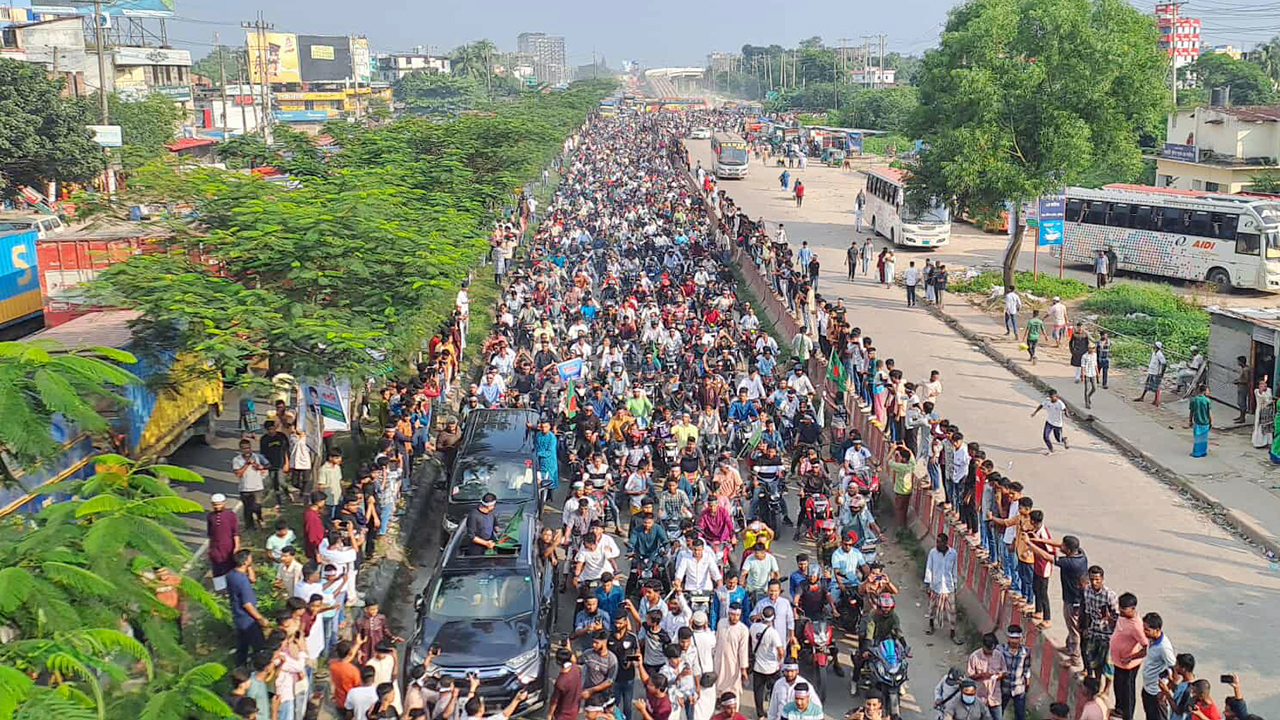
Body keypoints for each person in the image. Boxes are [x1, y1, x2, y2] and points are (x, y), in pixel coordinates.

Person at [226, 550, 269, 667]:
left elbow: (253, 579)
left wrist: (248, 567)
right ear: (245, 562)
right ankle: (259, 669)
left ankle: (240, 668)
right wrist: (260, 618)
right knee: (260, 647)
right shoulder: (242, 581)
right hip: (248, 620)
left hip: (238, 617)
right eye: (250, 558)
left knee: (242, 646)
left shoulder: (231, 574)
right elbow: (247, 604)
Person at [924, 532, 961, 644]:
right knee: (932, 608)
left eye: (940, 542)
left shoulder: (953, 553)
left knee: (952, 611)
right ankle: (931, 626)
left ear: (945, 543)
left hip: (948, 587)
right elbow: (929, 568)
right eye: (937, 541)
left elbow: (954, 569)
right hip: (936, 585)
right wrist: (928, 585)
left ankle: (953, 633)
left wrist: (955, 584)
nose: (938, 544)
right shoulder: (933, 553)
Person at [749, 606, 784, 717]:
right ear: (773, 618)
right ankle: (772, 712)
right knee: (775, 691)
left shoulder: (753, 627)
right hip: (772, 668)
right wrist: (779, 662)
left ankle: (760, 715)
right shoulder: (773, 633)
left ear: (762, 616)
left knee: (758, 691)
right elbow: (781, 652)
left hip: (757, 667)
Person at [1140, 613, 1175, 720]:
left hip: (1157, 693)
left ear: (1157, 629)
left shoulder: (1164, 648)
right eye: (1144, 628)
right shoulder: (1152, 639)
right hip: (1147, 689)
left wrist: (1165, 692)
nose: (1144, 632)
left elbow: (1175, 669)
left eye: (1147, 630)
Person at [966, 633, 1006, 720]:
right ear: (983, 646)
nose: (991, 652)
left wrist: (999, 676)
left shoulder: (999, 656)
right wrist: (983, 675)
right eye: (989, 649)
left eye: (992, 649)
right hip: (980, 696)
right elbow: (970, 675)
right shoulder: (974, 657)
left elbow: (1004, 672)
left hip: (995, 697)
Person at [207, 493, 240, 593]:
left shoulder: (230, 515)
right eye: (215, 504)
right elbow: (210, 534)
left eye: (219, 504)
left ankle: (233, 588)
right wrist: (209, 549)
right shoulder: (210, 516)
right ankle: (220, 590)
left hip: (228, 547)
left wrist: (237, 546)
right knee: (217, 569)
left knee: (230, 567)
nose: (217, 506)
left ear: (224, 503)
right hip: (215, 549)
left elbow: (236, 532)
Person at [232, 439, 268, 530]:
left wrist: (260, 467)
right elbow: (238, 474)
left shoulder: (257, 457)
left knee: (257, 506)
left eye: (248, 448)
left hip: (257, 487)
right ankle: (250, 527)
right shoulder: (236, 460)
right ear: (240, 449)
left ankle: (260, 519)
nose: (246, 450)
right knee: (247, 509)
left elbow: (267, 465)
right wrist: (246, 465)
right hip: (245, 488)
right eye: (244, 448)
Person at [998, 626, 1032, 720]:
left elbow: (1026, 668)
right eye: (1012, 638)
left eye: (1016, 638)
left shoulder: (1026, 652)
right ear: (1008, 638)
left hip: (1019, 688)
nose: (1014, 641)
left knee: (1020, 715)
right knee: (998, 712)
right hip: (1003, 687)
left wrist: (1027, 681)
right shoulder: (1000, 650)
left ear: (1020, 638)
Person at [548, 647, 585, 720]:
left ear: (558, 661)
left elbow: (554, 702)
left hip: (562, 715)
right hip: (574, 710)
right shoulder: (576, 668)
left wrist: (549, 715)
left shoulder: (561, 682)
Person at [1134, 342, 1167, 407]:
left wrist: (1161, 373)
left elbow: (1164, 364)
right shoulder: (1154, 353)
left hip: (1156, 373)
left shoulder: (1160, 355)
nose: (1153, 346)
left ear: (1157, 347)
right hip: (1151, 371)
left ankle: (1156, 400)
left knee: (1156, 387)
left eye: (1154, 345)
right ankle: (1142, 397)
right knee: (1148, 385)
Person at [1188, 385, 1213, 458]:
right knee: (1204, 438)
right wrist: (1211, 421)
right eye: (1208, 390)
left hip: (1197, 422)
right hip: (1205, 422)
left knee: (1197, 438)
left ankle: (1196, 452)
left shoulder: (1193, 400)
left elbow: (1191, 412)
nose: (1209, 392)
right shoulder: (1207, 400)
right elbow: (1209, 412)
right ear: (1204, 391)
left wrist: (1190, 421)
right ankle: (1203, 452)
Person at [1253, 378, 1274, 448]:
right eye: (1261, 385)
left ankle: (1268, 442)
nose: (1264, 386)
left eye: (1265, 385)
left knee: (1268, 426)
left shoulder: (1269, 390)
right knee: (1259, 425)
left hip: (1268, 411)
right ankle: (1259, 443)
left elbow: (1269, 400)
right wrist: (1262, 392)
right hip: (1260, 411)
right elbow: (1261, 397)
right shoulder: (1256, 391)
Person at [1233, 356, 1252, 424]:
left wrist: (1238, 381)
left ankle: (1242, 418)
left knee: (1242, 403)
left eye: (1238, 361)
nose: (1237, 363)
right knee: (1240, 403)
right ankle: (1241, 417)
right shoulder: (1244, 369)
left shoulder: (1245, 370)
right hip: (1241, 388)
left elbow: (1246, 380)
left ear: (1241, 362)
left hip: (1243, 388)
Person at [1081, 344, 1099, 410]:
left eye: (1093, 348)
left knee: (1094, 388)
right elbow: (1082, 366)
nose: (1092, 349)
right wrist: (1082, 375)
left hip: (1093, 373)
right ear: (1088, 348)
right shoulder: (1084, 356)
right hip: (1087, 374)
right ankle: (1087, 403)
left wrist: (1098, 373)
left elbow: (1095, 364)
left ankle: (1088, 396)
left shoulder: (1095, 355)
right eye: (1091, 348)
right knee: (1087, 389)